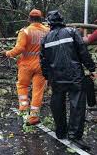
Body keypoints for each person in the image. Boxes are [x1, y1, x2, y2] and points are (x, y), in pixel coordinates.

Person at [40, 10, 96, 150]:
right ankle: (74, 135)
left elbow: (43, 61)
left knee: (57, 103)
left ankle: (60, 131)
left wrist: (46, 76)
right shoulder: (72, 32)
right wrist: (92, 68)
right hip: (74, 75)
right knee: (77, 106)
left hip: (56, 77)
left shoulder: (45, 39)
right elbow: (83, 51)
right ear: (61, 20)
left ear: (49, 23)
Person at [2, 9, 50, 125]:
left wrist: (8, 53)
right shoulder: (48, 31)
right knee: (38, 91)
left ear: (29, 19)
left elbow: (20, 48)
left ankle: (23, 110)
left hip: (26, 66)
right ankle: (33, 118)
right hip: (41, 66)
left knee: (23, 86)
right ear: (41, 19)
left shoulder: (25, 31)